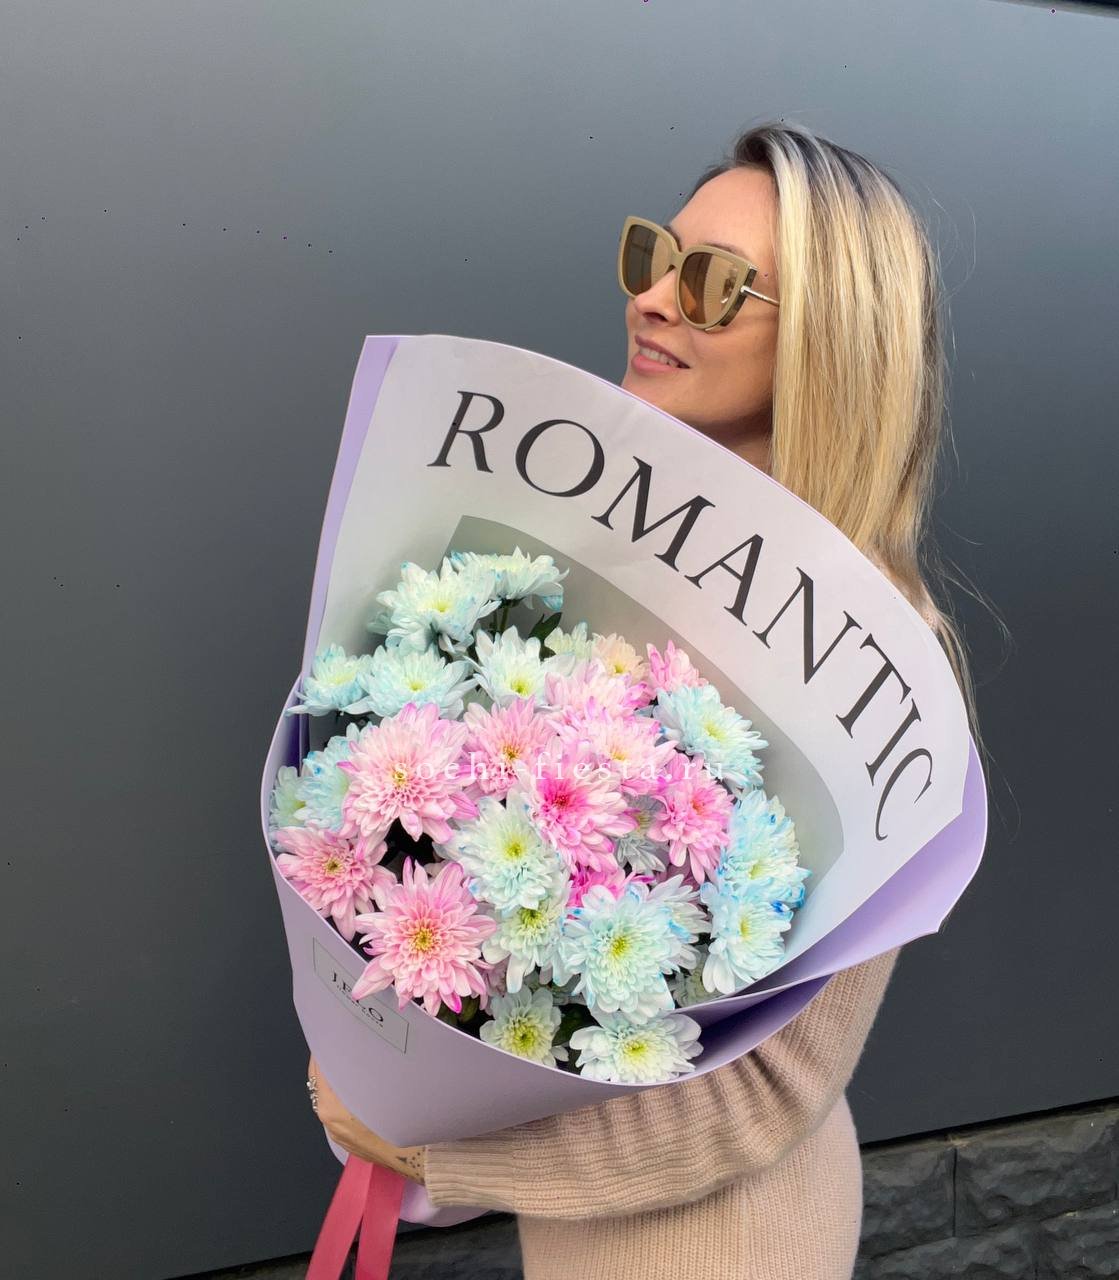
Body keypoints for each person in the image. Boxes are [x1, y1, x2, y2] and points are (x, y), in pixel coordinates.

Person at [306, 119, 983, 1280]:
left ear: (830, 341)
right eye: (654, 256)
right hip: (585, 1233)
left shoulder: (875, 655)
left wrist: (431, 1150)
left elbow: (765, 1093)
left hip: (725, 1242)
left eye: (714, 283)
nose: (655, 298)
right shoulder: (605, 567)